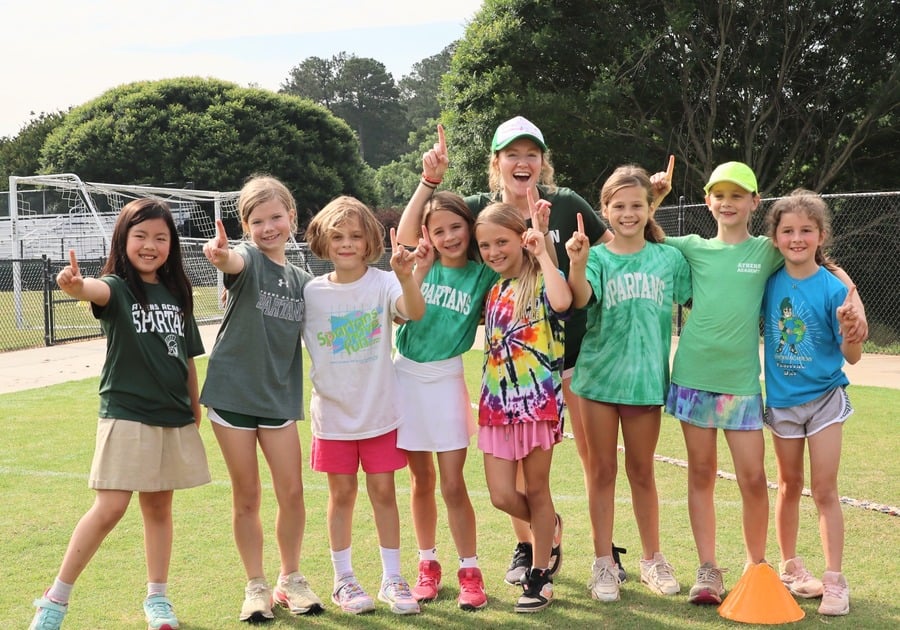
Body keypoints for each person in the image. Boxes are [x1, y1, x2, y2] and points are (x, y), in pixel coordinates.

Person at [397, 118, 630, 586]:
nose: (522, 163)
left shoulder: (566, 203)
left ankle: (604, 556)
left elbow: (612, 251)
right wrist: (429, 182)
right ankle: (529, 547)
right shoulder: (480, 212)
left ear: (542, 160)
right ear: (496, 162)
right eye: (511, 154)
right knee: (510, 483)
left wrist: (588, 272)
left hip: (570, 358)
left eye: (531, 154)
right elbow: (418, 234)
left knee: (591, 463)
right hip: (506, 381)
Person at [662, 162, 867, 605]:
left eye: (738, 195)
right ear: (707, 199)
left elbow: (824, 267)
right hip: (693, 378)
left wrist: (858, 310)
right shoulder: (693, 246)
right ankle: (708, 570)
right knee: (700, 474)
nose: (727, 203)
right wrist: (656, 199)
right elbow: (644, 233)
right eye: (720, 195)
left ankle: (758, 566)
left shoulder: (768, 250)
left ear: (755, 203)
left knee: (753, 478)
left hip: (743, 387)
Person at [30, 199, 210, 630]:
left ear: (172, 245)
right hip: (126, 412)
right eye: (141, 236)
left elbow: (186, 358)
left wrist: (194, 405)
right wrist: (74, 285)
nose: (151, 245)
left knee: (159, 508)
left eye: (160, 238)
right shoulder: (117, 287)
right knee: (110, 507)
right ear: (124, 240)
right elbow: (94, 289)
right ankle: (55, 600)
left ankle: (158, 600)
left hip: (173, 415)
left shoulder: (178, 294)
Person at [566, 165, 691, 603]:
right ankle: (603, 562)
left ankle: (651, 559)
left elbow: (700, 296)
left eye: (637, 205)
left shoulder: (669, 258)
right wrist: (577, 264)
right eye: (618, 206)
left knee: (642, 472)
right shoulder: (597, 257)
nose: (628, 213)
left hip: (644, 384)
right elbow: (580, 298)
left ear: (649, 208)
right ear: (605, 210)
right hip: (598, 380)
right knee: (601, 472)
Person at [199, 175, 322, 622]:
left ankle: (291, 579)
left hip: (277, 399)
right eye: (257, 220)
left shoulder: (305, 281)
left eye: (275, 217)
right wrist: (220, 255)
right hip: (231, 395)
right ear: (245, 225)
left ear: (291, 216)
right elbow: (230, 261)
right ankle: (256, 586)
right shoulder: (247, 258)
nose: (268, 227)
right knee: (247, 496)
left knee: (292, 492)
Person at [302, 196, 426, 615]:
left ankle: (393, 577)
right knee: (341, 496)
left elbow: (413, 310)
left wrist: (406, 277)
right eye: (337, 236)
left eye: (356, 236)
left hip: (379, 414)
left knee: (384, 493)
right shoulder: (311, 292)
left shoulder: (383, 283)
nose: (347, 243)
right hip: (333, 419)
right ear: (322, 240)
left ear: (370, 240)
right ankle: (344, 581)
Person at [394, 191, 498, 610]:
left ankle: (470, 572)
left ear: (469, 229)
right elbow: (399, 314)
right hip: (405, 378)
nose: (449, 236)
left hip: (447, 379)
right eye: (439, 230)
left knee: (454, 484)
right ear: (428, 235)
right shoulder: (422, 266)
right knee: (421, 482)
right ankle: (427, 565)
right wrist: (417, 269)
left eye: (457, 227)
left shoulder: (481, 274)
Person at [761, 189, 861, 616]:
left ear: (821, 236)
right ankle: (789, 567)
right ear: (776, 237)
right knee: (787, 486)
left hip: (824, 400)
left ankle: (835, 580)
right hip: (783, 403)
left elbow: (853, 355)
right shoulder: (767, 284)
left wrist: (850, 327)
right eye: (788, 231)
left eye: (806, 230)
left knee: (824, 488)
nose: (796, 238)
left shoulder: (835, 288)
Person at [474, 201, 573, 613]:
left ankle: (539, 576)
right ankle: (549, 525)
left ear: (521, 238)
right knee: (500, 494)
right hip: (497, 405)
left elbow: (564, 301)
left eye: (502, 241)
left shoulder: (541, 277)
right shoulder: (493, 290)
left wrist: (542, 252)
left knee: (536, 488)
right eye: (485, 245)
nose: (494, 251)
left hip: (537, 403)